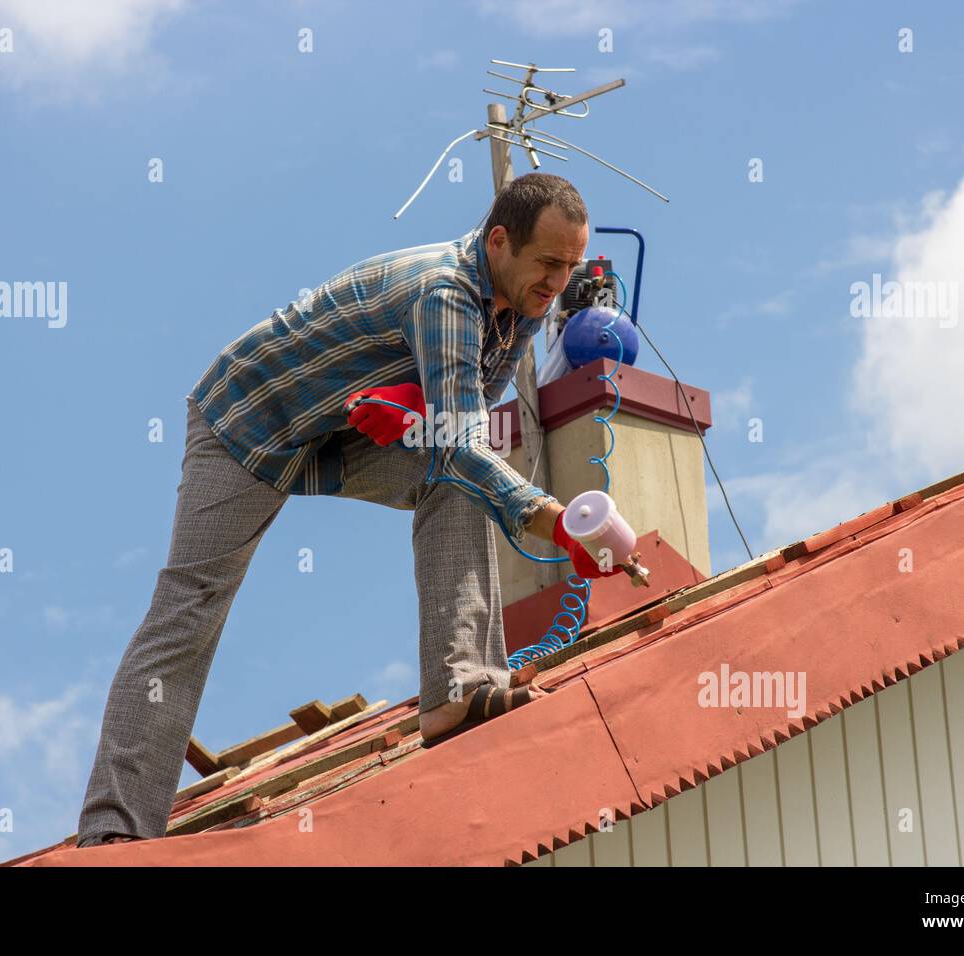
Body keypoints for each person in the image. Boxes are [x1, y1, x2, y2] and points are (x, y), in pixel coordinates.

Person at [75, 172, 620, 848]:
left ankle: (459, 688)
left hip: (338, 434)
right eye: (548, 264)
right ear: (499, 240)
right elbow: (459, 444)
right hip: (244, 425)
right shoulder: (445, 293)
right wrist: (554, 520)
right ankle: (114, 835)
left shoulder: (524, 303)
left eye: (571, 267)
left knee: (463, 480)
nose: (558, 282)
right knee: (190, 607)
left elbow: (459, 433)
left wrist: (420, 410)